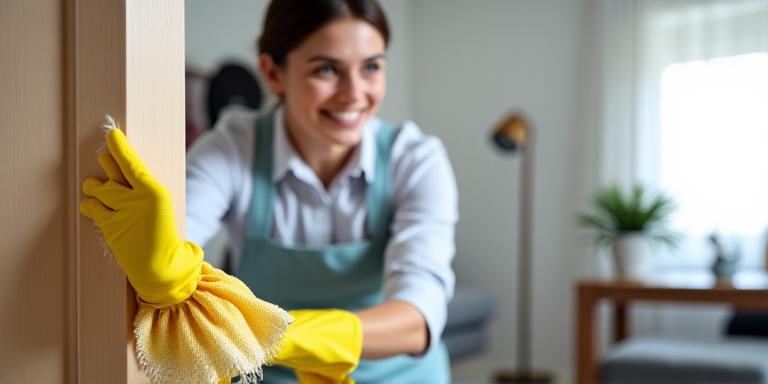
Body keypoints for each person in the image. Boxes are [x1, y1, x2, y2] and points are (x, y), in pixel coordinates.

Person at [185, 0, 458, 382]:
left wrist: (284, 335)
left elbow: (418, 317)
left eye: (371, 68)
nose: (354, 93)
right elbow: (176, 246)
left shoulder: (415, 160)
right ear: (272, 73)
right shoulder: (233, 147)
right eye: (327, 69)